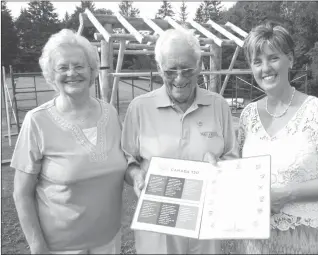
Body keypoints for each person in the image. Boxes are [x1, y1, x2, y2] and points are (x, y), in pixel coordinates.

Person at [237, 21, 318, 254]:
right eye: (257, 61)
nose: (265, 68)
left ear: (290, 59)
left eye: (273, 58)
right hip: (254, 238)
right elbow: (241, 171)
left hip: (303, 236)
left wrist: (286, 194)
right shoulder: (248, 115)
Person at [121, 28, 239, 254]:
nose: (179, 78)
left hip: (206, 226)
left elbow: (233, 159)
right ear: (158, 69)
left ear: (200, 66)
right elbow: (127, 158)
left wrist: (220, 167)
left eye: (187, 70)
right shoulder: (139, 107)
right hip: (157, 227)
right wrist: (135, 175)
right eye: (170, 70)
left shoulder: (219, 106)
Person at [11, 29, 127, 254]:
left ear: (92, 70)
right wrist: (37, 247)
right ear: (51, 75)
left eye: (79, 66)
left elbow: (125, 165)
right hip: (60, 248)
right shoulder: (37, 121)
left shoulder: (110, 114)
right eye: (63, 67)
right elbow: (21, 193)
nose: (72, 73)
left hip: (110, 241)